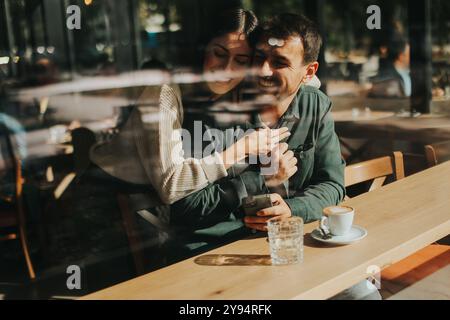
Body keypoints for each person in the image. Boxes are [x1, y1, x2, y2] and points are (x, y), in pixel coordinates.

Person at [171, 13, 380, 300]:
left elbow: (332, 185)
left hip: (295, 244)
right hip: (221, 253)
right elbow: (186, 207)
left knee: (363, 294)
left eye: (280, 63)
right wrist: (262, 180)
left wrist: (292, 210)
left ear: (309, 72)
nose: (263, 71)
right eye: (258, 58)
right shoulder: (210, 112)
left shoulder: (315, 106)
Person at [89, 9, 289, 206]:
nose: (227, 69)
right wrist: (241, 149)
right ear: (202, 50)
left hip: (149, 207)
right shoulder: (163, 92)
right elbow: (172, 186)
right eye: (219, 53)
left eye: (241, 61)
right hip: (105, 202)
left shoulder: (229, 94)